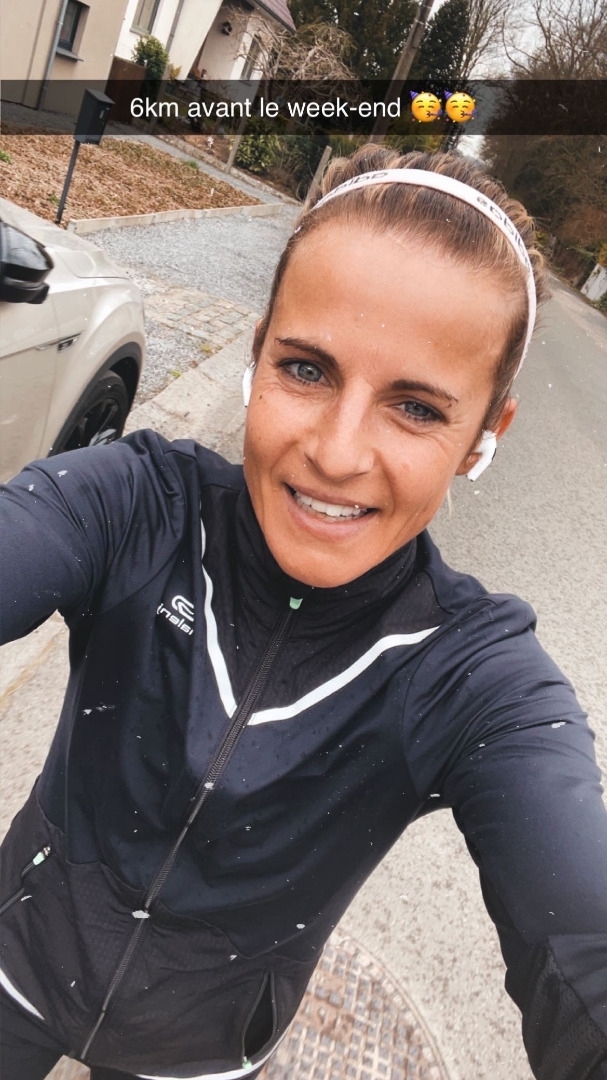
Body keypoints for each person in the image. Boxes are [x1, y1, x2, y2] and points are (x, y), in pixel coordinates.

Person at [1, 145, 606, 1080]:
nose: (336, 451)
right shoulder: (135, 505)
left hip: (198, 1053)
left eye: (415, 408)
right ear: (257, 355)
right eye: (307, 369)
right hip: (15, 964)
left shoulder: (475, 676)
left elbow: (580, 942)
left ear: (484, 435)